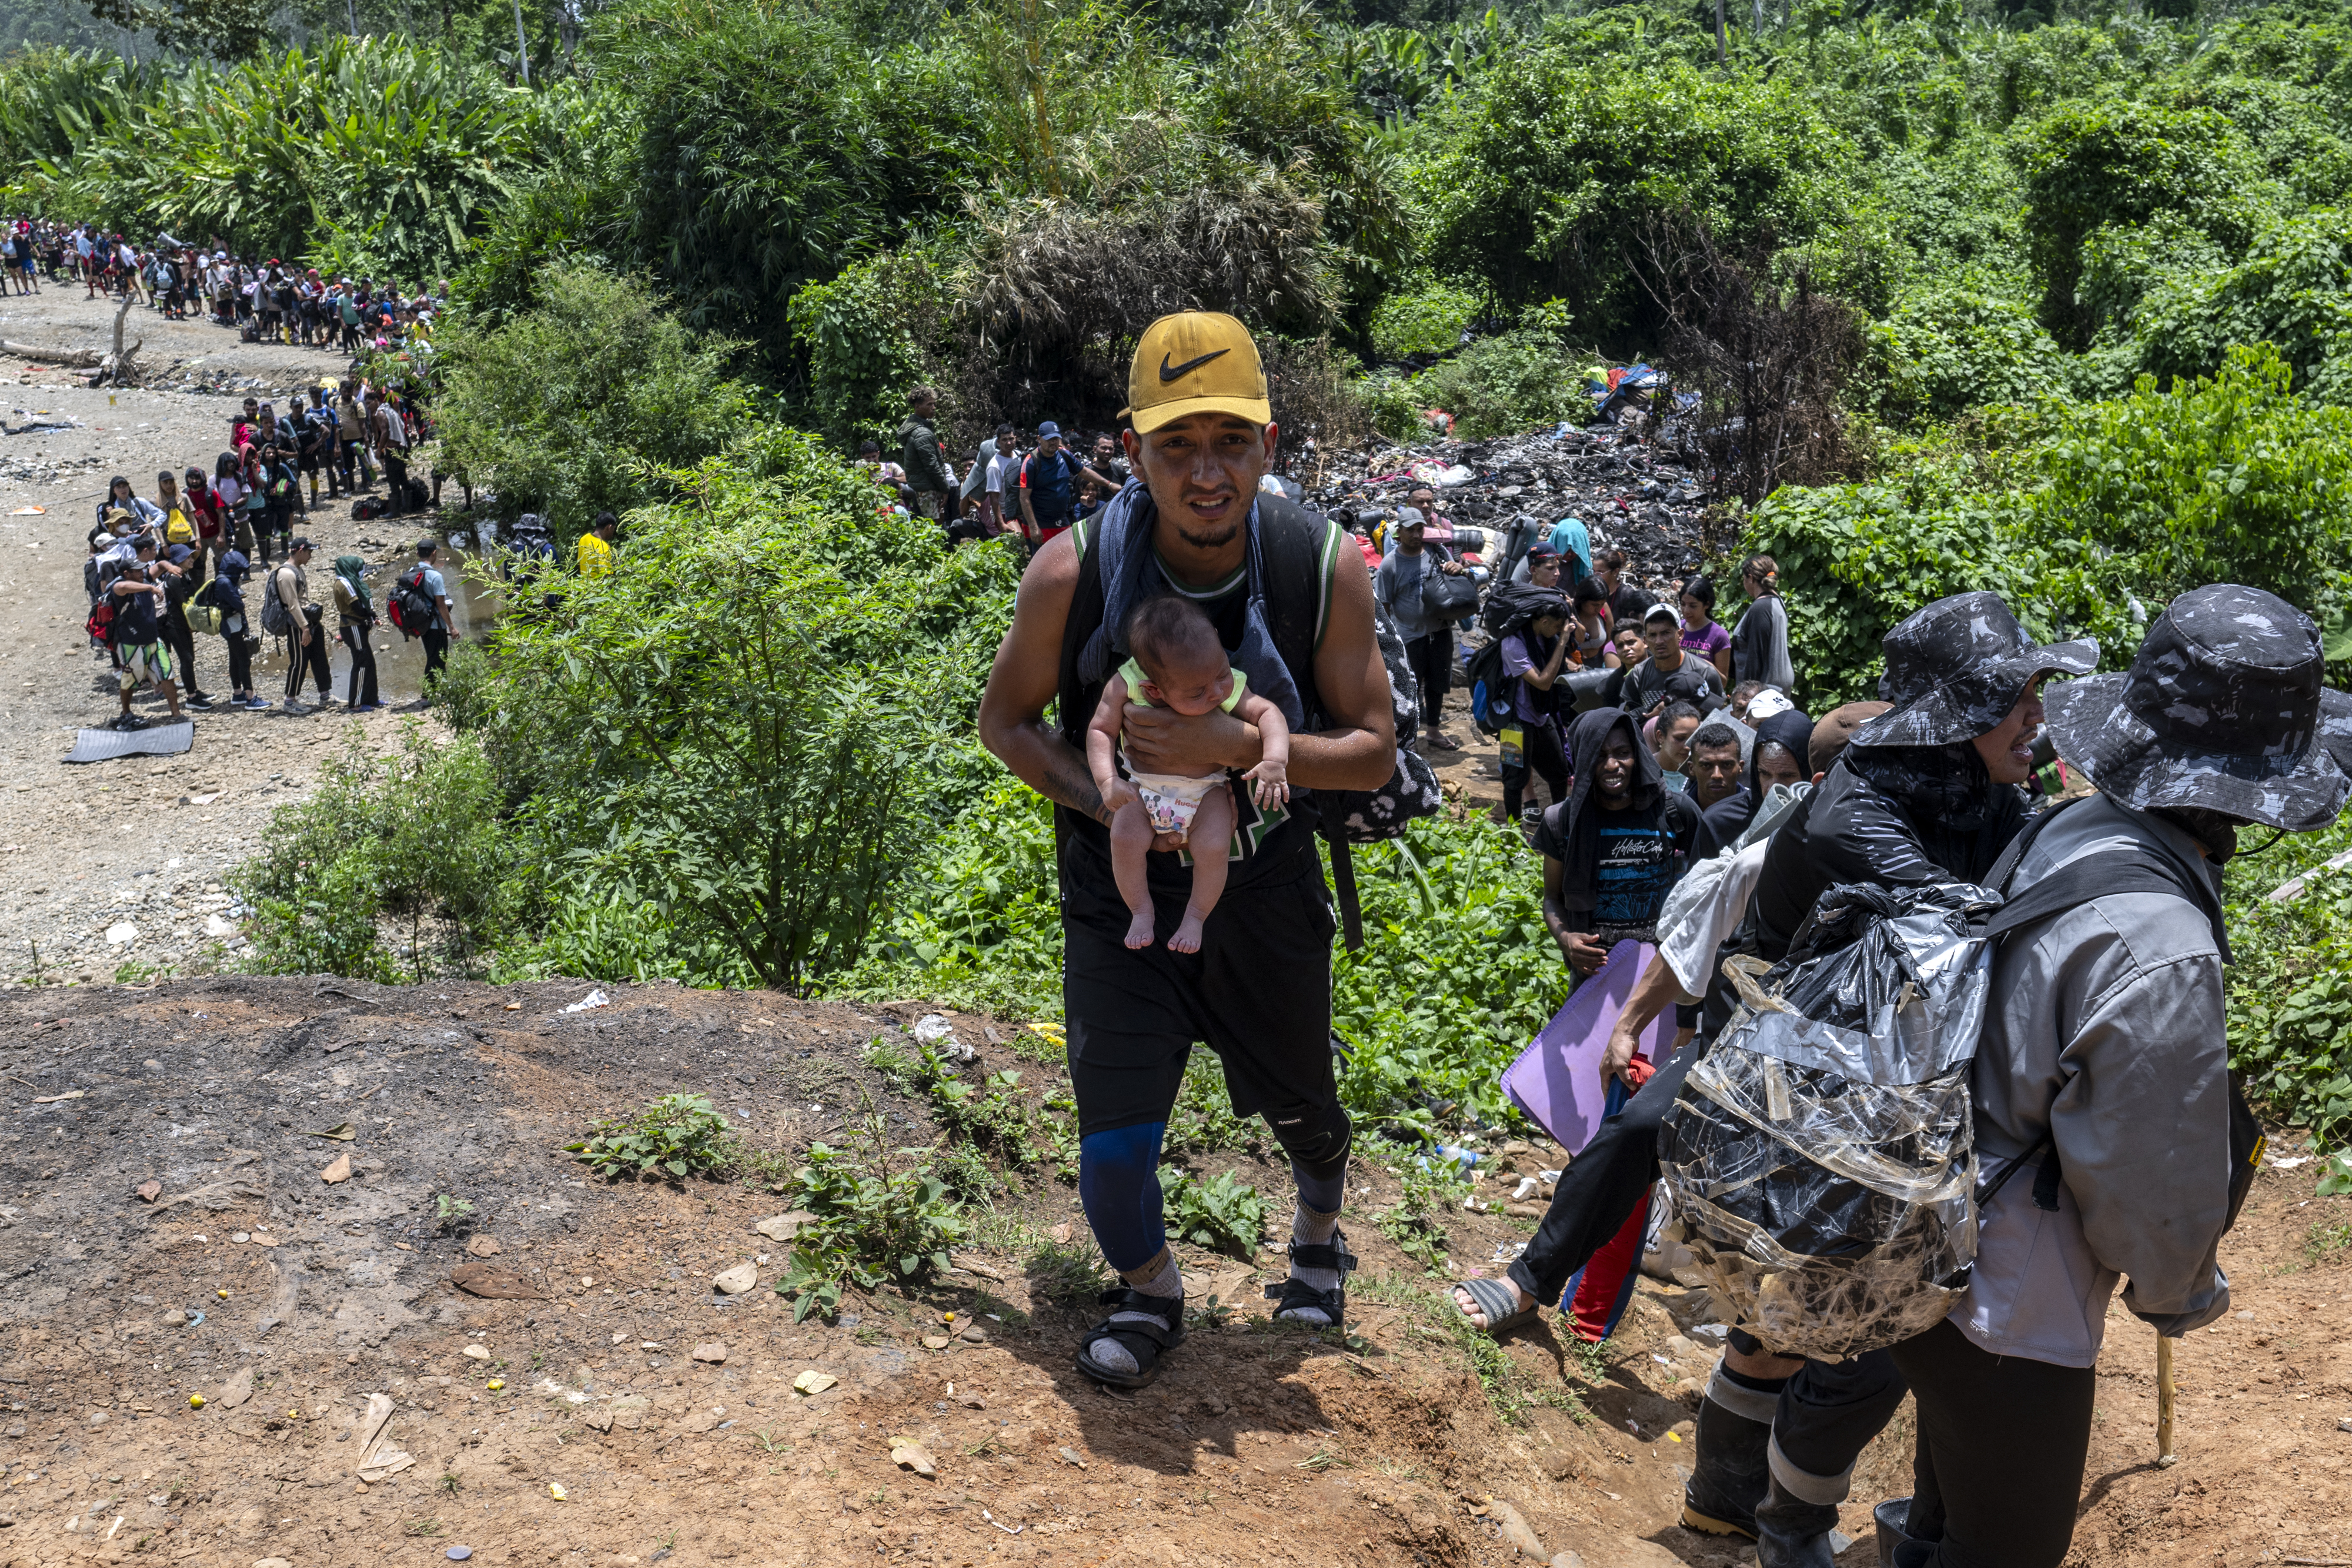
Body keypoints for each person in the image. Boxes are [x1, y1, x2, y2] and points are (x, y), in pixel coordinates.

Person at [1455, 594, 2097, 1568]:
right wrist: (1630, 1022)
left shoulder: (1992, 801)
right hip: (1775, 1068)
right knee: (1659, 1145)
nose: (2037, 721)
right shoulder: (1854, 809)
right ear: (1960, 711)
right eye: (2019, 700)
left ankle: (1731, 1503)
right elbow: (1959, 929)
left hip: (1892, 1085)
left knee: (1808, 1323)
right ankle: (1532, 1279)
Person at [1880, 586, 2347, 1568]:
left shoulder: (2073, 827)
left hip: (1919, 1220)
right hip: (2008, 1299)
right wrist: (2180, 1290)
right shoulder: (2166, 943)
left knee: (1947, 1501)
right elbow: (2152, 1180)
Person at [975, 310, 1395, 1390]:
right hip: (1118, 898)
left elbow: (1374, 752)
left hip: (1263, 889)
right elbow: (1008, 724)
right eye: (1176, 446)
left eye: (1230, 443)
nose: (1205, 474)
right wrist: (1114, 804)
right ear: (1134, 448)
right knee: (1114, 1141)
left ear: (1268, 441)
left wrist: (1233, 749)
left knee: (1305, 1102)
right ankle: (1152, 1288)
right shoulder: (1072, 575)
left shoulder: (1321, 567)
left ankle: (1316, 1230)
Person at [1085, 594, 1294, 955]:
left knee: (1214, 845)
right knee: (1124, 837)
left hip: (1206, 790)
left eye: (1223, 674)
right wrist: (1107, 780)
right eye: (1198, 692)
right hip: (1142, 788)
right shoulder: (1127, 685)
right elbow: (1100, 730)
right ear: (1154, 689)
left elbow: (1267, 712)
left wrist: (1275, 760)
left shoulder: (1213, 678)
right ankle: (1141, 909)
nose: (1217, 692)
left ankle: (1196, 915)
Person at [1372, 509, 1468, 750]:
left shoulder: (1436, 552)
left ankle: (1433, 732)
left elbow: (1453, 572)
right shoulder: (1390, 566)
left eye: (1420, 529)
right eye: (1410, 530)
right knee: (1410, 688)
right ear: (1399, 532)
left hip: (1440, 630)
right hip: (1409, 636)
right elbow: (1383, 607)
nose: (1416, 535)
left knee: (1438, 684)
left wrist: (1456, 567)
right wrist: (1387, 642)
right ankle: (1409, 738)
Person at [1495, 569, 1573, 831]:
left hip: (1541, 716)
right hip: (1515, 722)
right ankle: (1512, 833)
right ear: (1542, 621)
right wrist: (1562, 642)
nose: (1560, 630)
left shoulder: (1543, 638)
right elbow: (1542, 681)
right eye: (1557, 625)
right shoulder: (1513, 645)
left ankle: (1560, 824)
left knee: (1560, 773)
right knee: (1514, 781)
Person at [1692, 708, 1812, 860]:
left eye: (1787, 776)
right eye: (1765, 774)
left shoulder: (1825, 821)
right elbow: (1699, 882)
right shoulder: (1717, 822)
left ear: (1809, 771)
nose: (1772, 789)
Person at [104, 537, 185, 730]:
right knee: (131, 681)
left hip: (152, 640)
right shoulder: (119, 587)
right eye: (138, 571)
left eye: (142, 570)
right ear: (127, 573)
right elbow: (122, 587)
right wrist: (150, 587)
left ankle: (176, 713)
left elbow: (159, 565)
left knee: (167, 674)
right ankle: (126, 712)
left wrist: (169, 566)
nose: (142, 573)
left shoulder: (145, 579)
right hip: (131, 643)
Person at [1613, 603, 1727, 717]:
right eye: (1653, 635)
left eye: (1666, 633)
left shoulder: (1705, 673)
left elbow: (1720, 718)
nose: (1659, 641)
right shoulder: (1637, 676)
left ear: (1680, 635)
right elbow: (1631, 721)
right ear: (1645, 641)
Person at [1018, 422, 1116, 549]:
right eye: (1049, 439)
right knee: (1043, 564)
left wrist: (1109, 484)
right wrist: (1033, 526)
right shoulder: (1031, 463)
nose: (1053, 442)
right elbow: (1024, 497)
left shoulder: (1064, 455)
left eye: (1056, 439)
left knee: (1070, 556)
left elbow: (1084, 472)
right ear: (1039, 439)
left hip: (1061, 519)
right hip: (1040, 522)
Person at [271, 538, 332, 714]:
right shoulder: (286, 574)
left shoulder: (298, 570)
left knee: (320, 658)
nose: (311, 557)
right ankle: (290, 701)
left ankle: (325, 695)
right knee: (299, 662)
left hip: (310, 621)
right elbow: (292, 605)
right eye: (309, 553)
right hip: (297, 625)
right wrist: (305, 628)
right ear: (300, 551)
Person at [200, 550, 263, 711]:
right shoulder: (225, 583)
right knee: (244, 660)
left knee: (234, 659)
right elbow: (239, 605)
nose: (241, 574)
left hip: (231, 625)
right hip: (231, 626)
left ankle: (237, 694)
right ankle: (250, 698)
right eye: (239, 570)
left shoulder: (224, 580)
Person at [158, 543, 213, 711]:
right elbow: (184, 604)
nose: (191, 559)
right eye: (188, 557)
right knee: (186, 659)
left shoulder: (185, 575)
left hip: (183, 624)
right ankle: (191, 698)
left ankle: (194, 690)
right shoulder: (174, 579)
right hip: (174, 625)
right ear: (179, 560)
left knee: (191, 658)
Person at [1731, 553, 1795, 691]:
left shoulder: (1760, 608)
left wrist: (1746, 694)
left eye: (1744, 579)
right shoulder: (1777, 601)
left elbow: (1756, 655)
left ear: (1750, 578)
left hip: (1766, 688)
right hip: (1779, 684)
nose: (1744, 583)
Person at [897, 386, 958, 525]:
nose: (934, 407)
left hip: (923, 488)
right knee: (934, 528)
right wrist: (945, 489)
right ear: (918, 407)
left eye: (934, 404)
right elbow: (932, 466)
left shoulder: (916, 428)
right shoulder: (922, 433)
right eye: (929, 404)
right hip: (928, 490)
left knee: (928, 527)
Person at [332, 554, 380, 711]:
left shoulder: (350, 582)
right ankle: (356, 704)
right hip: (351, 627)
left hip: (356, 626)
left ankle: (372, 699)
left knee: (369, 663)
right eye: (360, 568)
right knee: (361, 663)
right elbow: (358, 608)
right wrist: (371, 615)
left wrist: (371, 617)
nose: (362, 571)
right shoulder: (343, 583)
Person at [412, 538, 457, 693]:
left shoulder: (412, 572)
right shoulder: (435, 576)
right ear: (434, 553)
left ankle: (442, 690)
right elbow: (441, 604)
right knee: (436, 658)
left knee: (436, 656)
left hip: (420, 623)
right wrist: (452, 626)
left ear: (418, 554)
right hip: (435, 624)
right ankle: (428, 694)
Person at [1679, 575, 1732, 680]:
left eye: (1693, 606)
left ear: (1707, 605)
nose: (1686, 610)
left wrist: (1707, 667)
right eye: (1683, 604)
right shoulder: (1676, 628)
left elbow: (1724, 682)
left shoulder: (1719, 635)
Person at [369, 389, 410, 513]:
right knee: (403, 478)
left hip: (393, 450)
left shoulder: (380, 413)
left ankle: (395, 511)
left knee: (393, 480)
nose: (367, 406)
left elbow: (385, 432)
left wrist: (379, 449)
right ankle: (408, 507)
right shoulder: (389, 409)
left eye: (369, 403)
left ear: (376, 401)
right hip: (402, 447)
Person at [1651, 700, 1704, 793]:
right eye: (1680, 738)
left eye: (1693, 739)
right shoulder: (1645, 772)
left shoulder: (1700, 773)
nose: (1687, 747)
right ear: (1660, 737)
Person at [1592, 546, 1646, 628]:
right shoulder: (1592, 592)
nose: (1596, 576)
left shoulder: (1626, 595)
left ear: (1615, 572)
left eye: (1600, 572)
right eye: (1594, 571)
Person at [577, 511, 619, 580]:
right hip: (597, 590)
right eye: (614, 529)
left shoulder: (584, 539)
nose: (613, 532)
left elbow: (580, 563)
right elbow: (607, 577)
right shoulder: (604, 547)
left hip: (583, 588)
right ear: (609, 527)